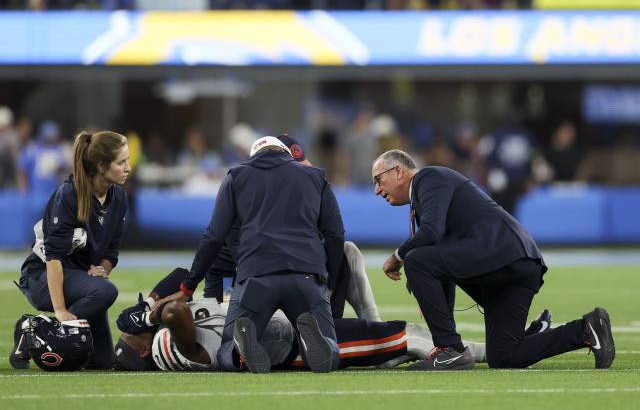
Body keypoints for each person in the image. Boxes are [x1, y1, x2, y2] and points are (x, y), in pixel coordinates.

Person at [371, 149, 615, 370]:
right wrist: (432, 299)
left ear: (398, 171)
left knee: (416, 259)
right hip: (517, 263)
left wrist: (398, 256)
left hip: (504, 254)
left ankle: (450, 350)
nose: (377, 190)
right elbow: (439, 255)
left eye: (378, 180)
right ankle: (586, 328)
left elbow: (432, 234)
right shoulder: (428, 188)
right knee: (505, 357)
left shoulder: (428, 178)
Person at [160, 136, 345, 373]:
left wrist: (189, 285)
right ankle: (316, 344)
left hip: (256, 275)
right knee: (331, 352)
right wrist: (329, 277)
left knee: (226, 349)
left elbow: (214, 236)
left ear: (254, 154)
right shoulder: (315, 176)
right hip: (307, 274)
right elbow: (335, 234)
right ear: (286, 153)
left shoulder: (237, 176)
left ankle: (240, 350)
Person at [113, 267, 491, 371]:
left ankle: (488, 350)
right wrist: (153, 310)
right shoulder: (167, 348)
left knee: (395, 343)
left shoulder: (160, 339)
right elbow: (178, 311)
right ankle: (478, 353)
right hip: (289, 343)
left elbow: (182, 277)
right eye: (132, 340)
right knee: (405, 337)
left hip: (280, 326)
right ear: (145, 350)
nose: (132, 334)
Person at [10, 130, 130, 370]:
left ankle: (49, 332)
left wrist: (101, 269)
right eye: (121, 162)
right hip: (42, 276)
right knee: (105, 293)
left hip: (80, 279)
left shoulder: (119, 198)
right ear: (101, 165)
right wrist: (61, 311)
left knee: (103, 361)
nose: (128, 168)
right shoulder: (68, 195)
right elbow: (53, 258)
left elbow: (111, 252)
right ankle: (33, 332)